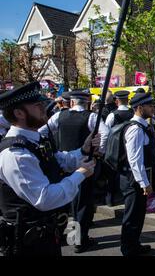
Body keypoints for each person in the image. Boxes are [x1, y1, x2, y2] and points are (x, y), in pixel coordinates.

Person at [0, 82, 98, 256]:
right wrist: (79, 175)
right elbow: (44, 198)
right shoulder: (15, 154)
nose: (44, 107)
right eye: (37, 105)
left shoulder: (36, 141)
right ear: (19, 113)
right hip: (27, 244)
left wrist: (84, 149)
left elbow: (61, 161)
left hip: (46, 235)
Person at [38, 90, 109, 253]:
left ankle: (61, 234)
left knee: (64, 201)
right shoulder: (91, 117)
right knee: (82, 203)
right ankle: (79, 240)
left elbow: (42, 131)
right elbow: (106, 133)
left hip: (62, 162)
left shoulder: (59, 116)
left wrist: (51, 149)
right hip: (83, 163)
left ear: (71, 103)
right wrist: (99, 151)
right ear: (86, 103)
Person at [120, 92, 155, 256]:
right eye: (150, 106)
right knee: (132, 216)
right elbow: (134, 160)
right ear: (139, 108)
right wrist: (144, 184)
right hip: (133, 180)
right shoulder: (135, 129)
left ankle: (134, 245)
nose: (153, 108)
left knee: (138, 215)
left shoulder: (142, 125)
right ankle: (128, 250)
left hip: (138, 178)